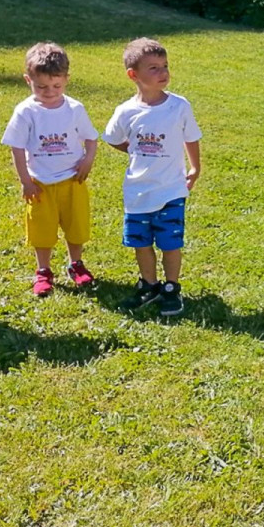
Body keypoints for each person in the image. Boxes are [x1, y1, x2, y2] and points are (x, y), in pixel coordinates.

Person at [104, 38, 202, 318]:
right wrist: (132, 150)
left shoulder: (179, 106)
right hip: (137, 192)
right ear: (133, 75)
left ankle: (171, 288)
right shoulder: (126, 111)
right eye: (154, 68)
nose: (163, 73)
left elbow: (191, 138)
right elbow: (112, 138)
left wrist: (194, 168)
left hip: (171, 189)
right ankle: (149, 285)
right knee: (141, 242)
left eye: (165, 66)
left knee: (171, 243)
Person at [1, 43, 99, 296]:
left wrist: (88, 160)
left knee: (76, 226)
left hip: (72, 181)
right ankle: (43, 271)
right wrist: (25, 181)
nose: (50, 92)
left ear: (66, 79)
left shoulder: (75, 108)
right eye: (41, 86)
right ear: (28, 80)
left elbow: (91, 138)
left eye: (57, 86)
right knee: (41, 230)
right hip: (40, 184)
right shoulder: (25, 111)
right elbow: (17, 148)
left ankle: (76, 264)